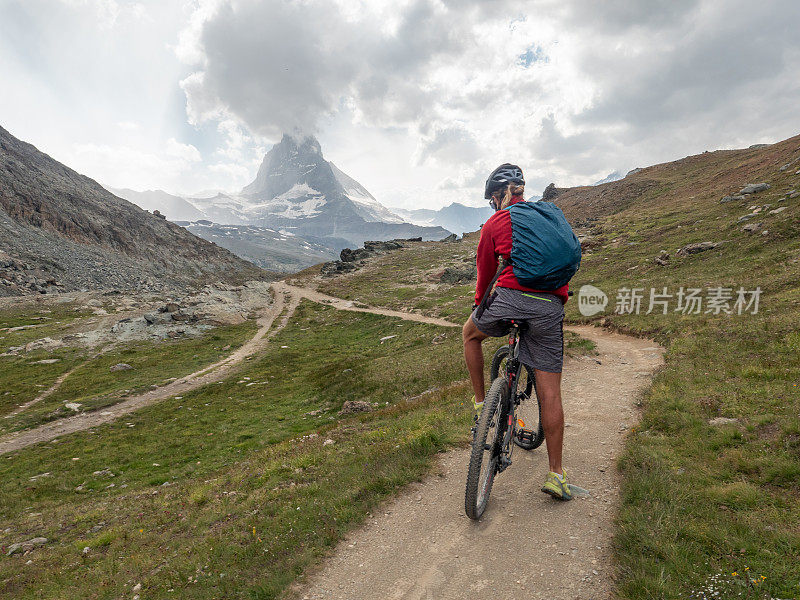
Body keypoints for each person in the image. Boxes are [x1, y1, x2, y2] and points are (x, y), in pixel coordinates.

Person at [462, 163, 572, 500]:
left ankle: (482, 403)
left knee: (469, 335)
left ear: (497, 196)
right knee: (550, 391)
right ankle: (556, 474)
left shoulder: (496, 221)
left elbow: (485, 273)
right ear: (522, 191)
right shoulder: (551, 216)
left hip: (509, 298)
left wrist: (480, 306)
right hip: (549, 305)